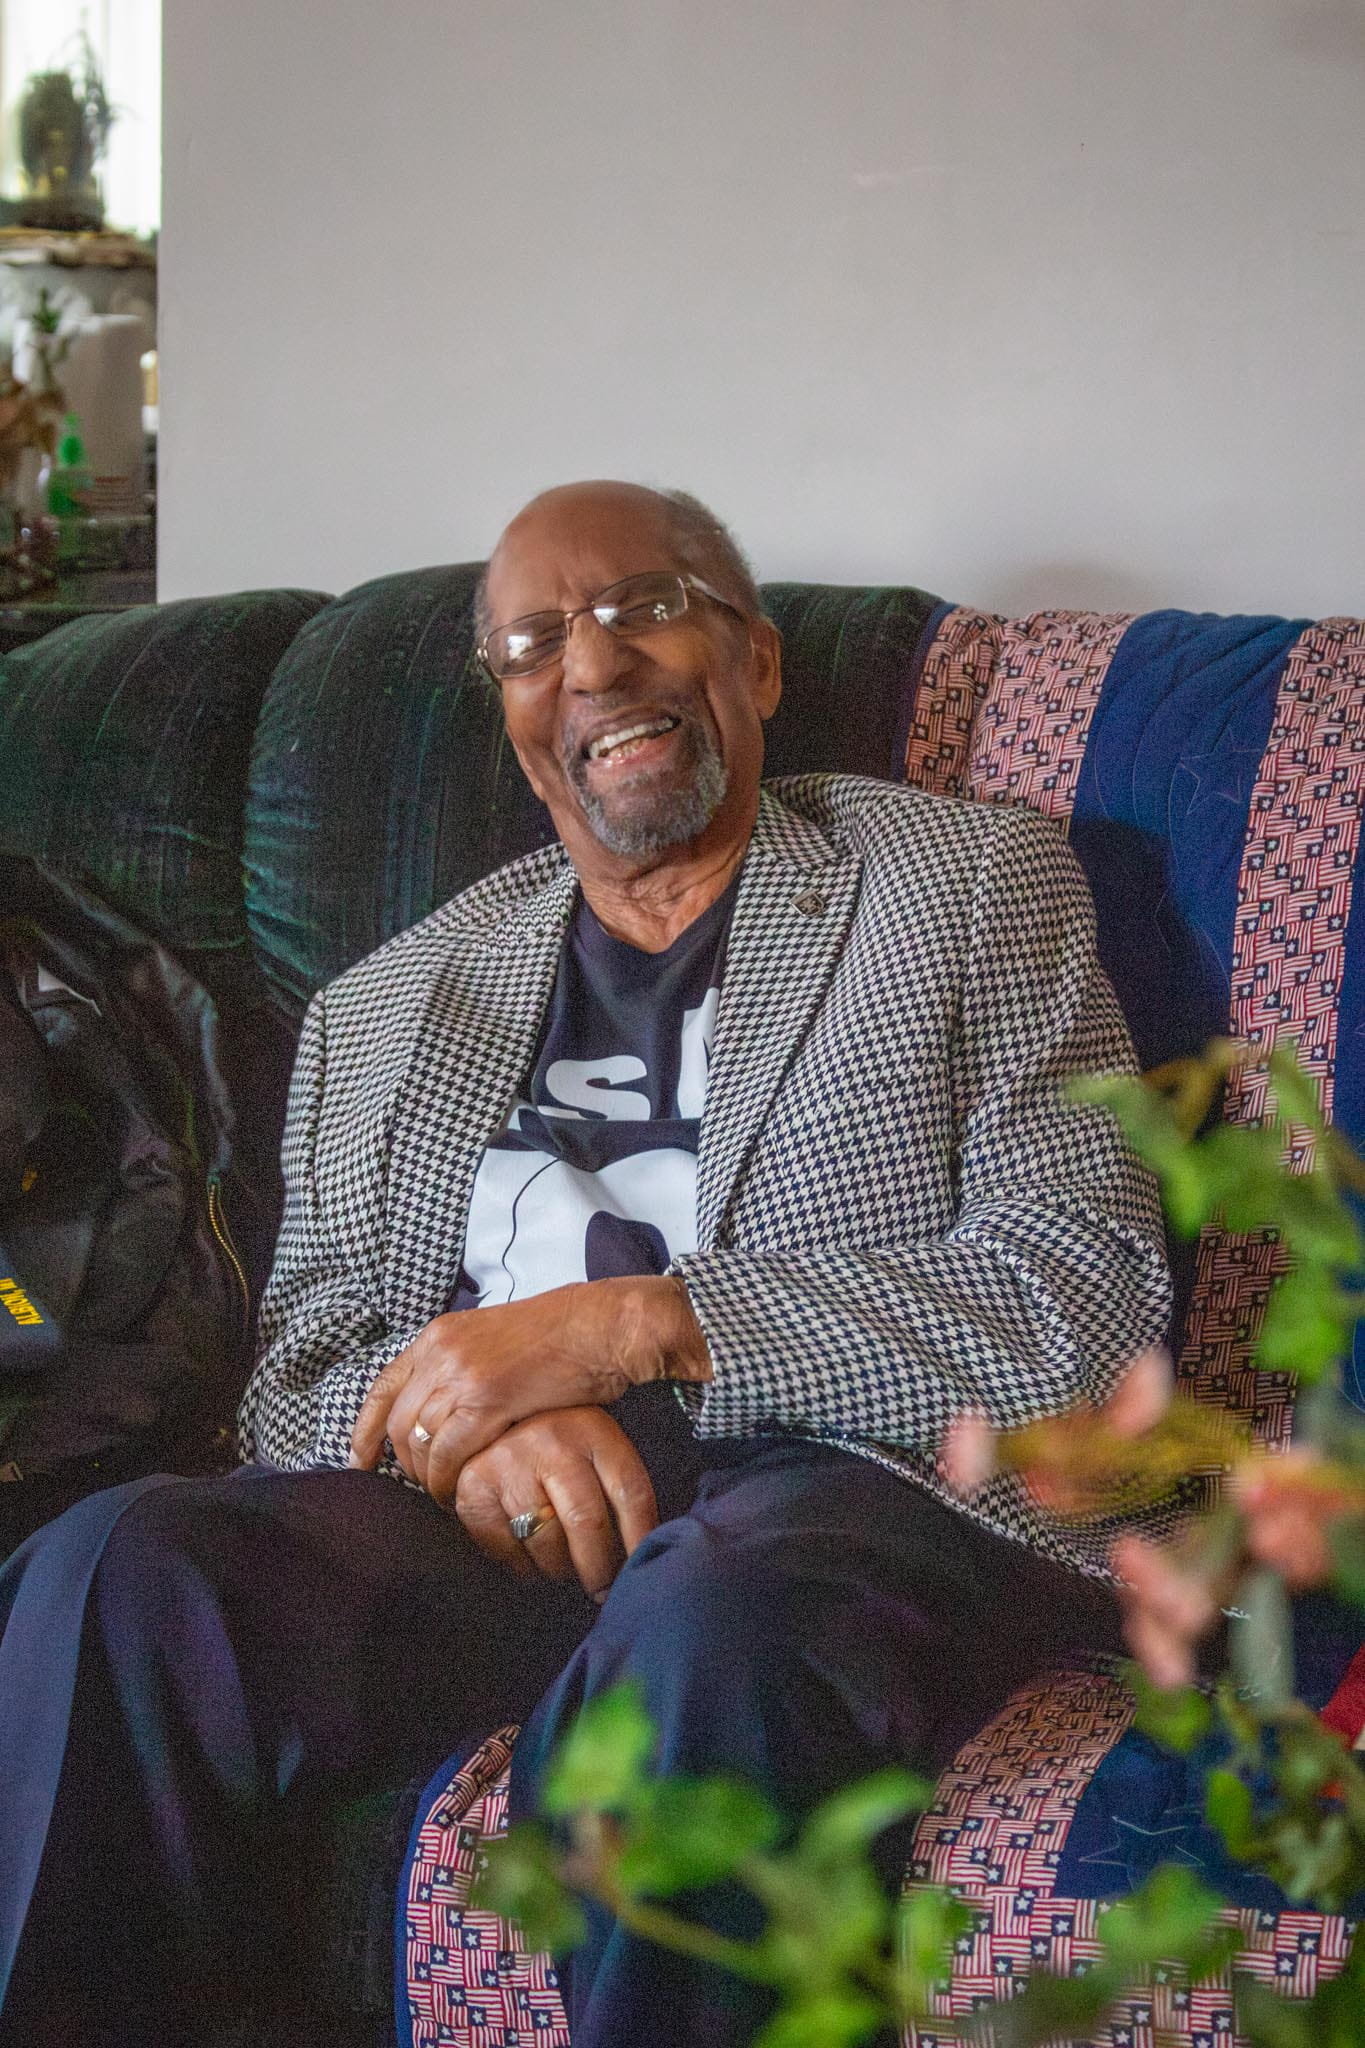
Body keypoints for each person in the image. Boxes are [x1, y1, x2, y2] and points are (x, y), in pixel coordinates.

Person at [0, 480, 1171, 2047]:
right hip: (492, 1548)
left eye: (643, 607)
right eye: (535, 644)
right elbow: (298, 1361)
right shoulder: (388, 1001)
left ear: (752, 662)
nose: (594, 665)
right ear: (509, 721)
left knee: (707, 1615)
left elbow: (1075, 1305)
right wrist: (472, 1427)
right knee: (122, 1565)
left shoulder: (961, 889)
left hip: (841, 1512)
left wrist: (629, 1330)